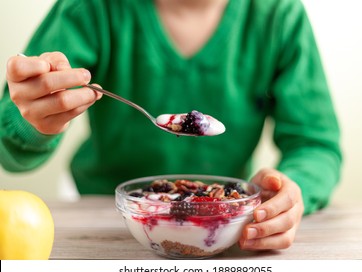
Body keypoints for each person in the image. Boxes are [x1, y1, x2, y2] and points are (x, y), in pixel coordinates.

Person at [0, 0, 342, 251]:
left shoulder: (278, 15)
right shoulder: (91, 9)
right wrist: (35, 119)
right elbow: (10, 148)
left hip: (224, 223)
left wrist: (289, 189)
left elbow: (315, 144)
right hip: (103, 214)